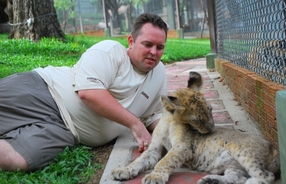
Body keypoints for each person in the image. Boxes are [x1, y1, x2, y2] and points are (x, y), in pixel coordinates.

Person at [0, 13, 168, 172]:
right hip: (45, 91)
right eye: (148, 45)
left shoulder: (159, 74)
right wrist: (135, 124)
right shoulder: (110, 51)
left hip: (66, 130)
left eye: (160, 47)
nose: (154, 52)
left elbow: (154, 116)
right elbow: (89, 93)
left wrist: (176, 134)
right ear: (131, 41)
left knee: (19, 160)